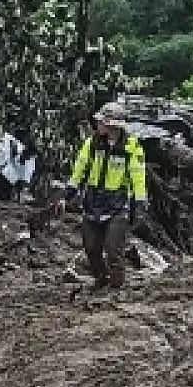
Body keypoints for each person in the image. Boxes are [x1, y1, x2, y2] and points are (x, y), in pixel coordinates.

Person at [61, 102, 148, 289]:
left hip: (117, 205)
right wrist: (68, 192)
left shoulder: (131, 147)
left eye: (101, 122)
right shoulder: (92, 143)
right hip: (92, 202)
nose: (98, 124)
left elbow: (138, 177)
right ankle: (101, 279)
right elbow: (80, 168)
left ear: (112, 125)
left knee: (113, 249)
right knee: (91, 247)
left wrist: (139, 204)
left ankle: (116, 288)